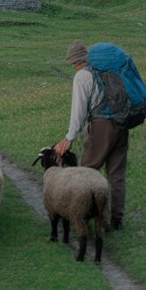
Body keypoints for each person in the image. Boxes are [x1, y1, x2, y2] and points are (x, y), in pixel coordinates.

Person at [53, 40, 130, 230]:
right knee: (116, 174)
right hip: (122, 124)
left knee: (88, 171)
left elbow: (78, 110)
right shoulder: (108, 71)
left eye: (72, 63)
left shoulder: (82, 76)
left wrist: (69, 137)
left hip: (101, 127)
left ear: (77, 61)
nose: (73, 67)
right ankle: (116, 219)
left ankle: (87, 215)